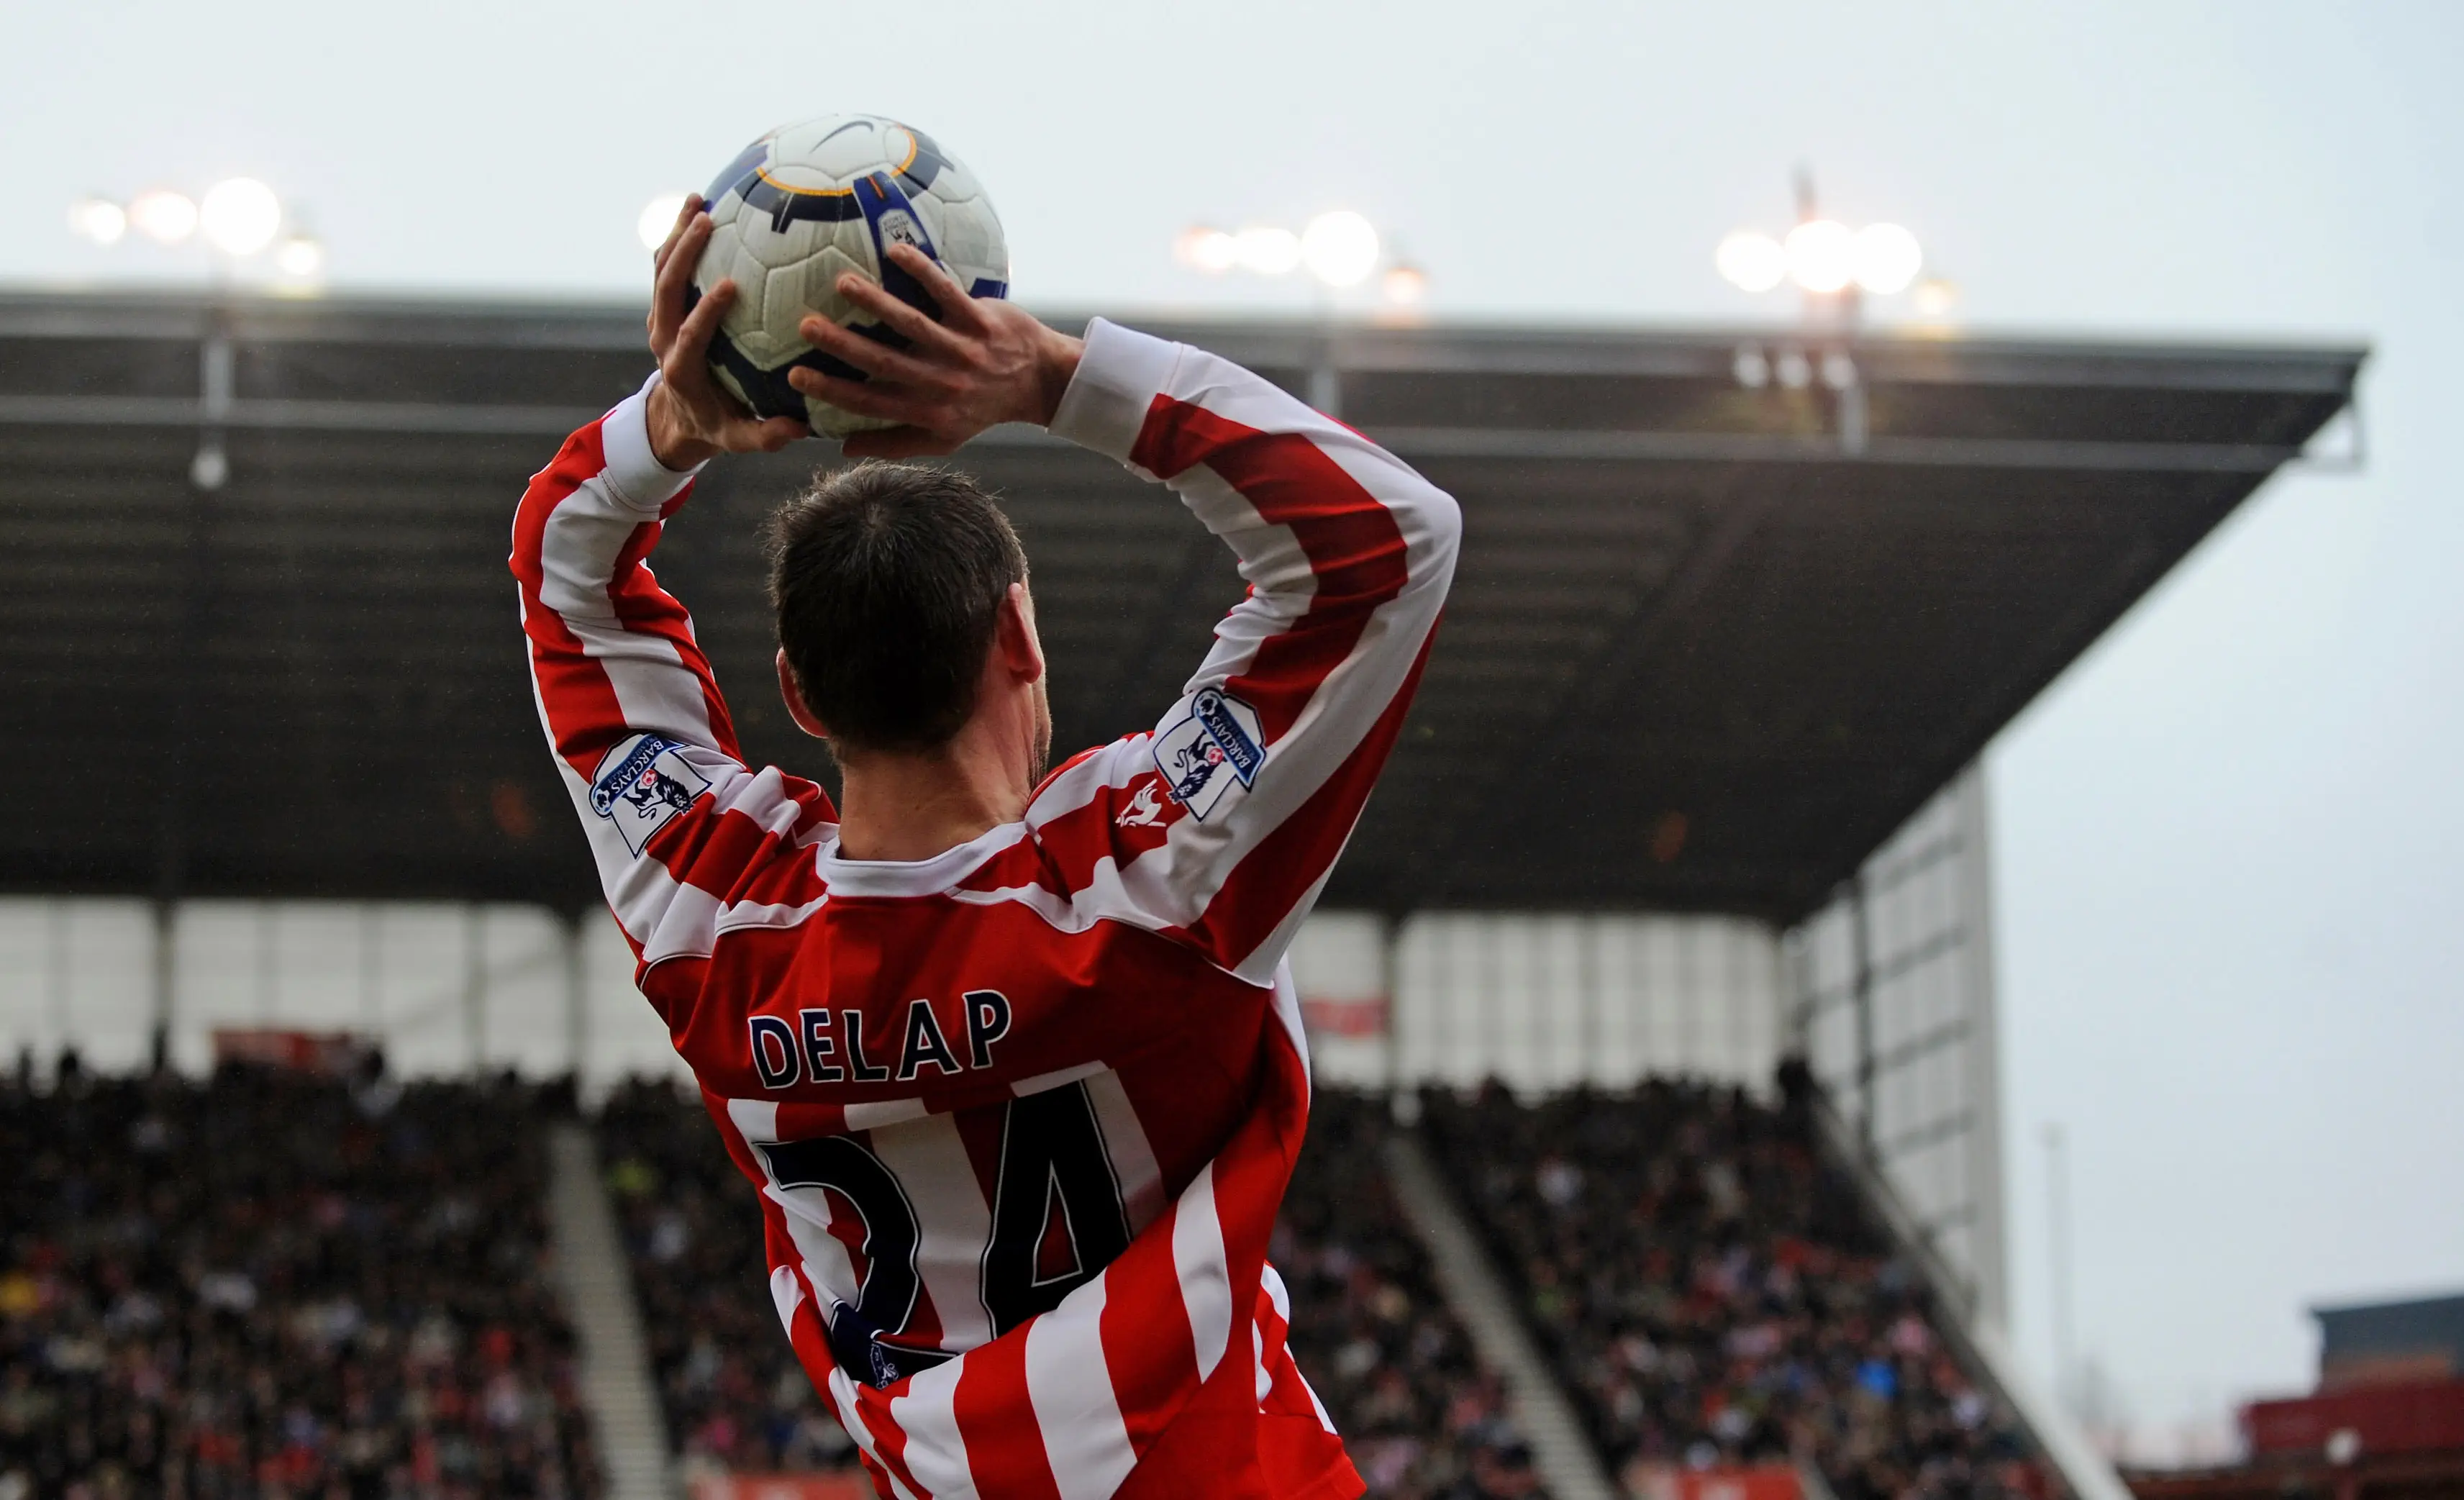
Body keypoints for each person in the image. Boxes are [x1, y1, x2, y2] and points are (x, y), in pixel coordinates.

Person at [511, 196, 1459, 1499]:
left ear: (797, 689)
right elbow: (1387, 543)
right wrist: (1052, 377)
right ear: (1019, 636)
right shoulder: (1145, 883)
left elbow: (564, 577)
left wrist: (667, 426)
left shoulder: (713, 922)